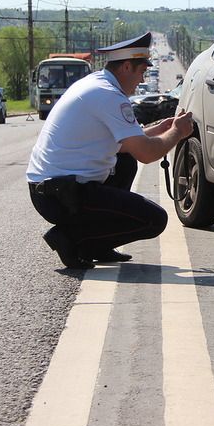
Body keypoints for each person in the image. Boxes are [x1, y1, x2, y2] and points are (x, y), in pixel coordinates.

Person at [26, 32, 194, 269]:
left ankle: (99, 245)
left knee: (126, 162)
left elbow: (126, 143)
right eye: (141, 72)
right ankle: (71, 238)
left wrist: (158, 129)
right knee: (154, 220)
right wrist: (178, 132)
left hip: (52, 189)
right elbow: (146, 154)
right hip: (63, 195)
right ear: (126, 66)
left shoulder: (96, 84)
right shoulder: (110, 96)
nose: (141, 80)